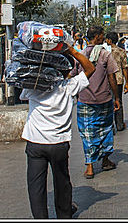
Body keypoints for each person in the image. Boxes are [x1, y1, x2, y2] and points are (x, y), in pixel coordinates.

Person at [21, 35, 92, 219]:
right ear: (66, 70)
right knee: (62, 182)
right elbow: (90, 68)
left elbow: (20, 82)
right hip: (59, 143)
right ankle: (64, 214)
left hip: (35, 142)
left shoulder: (33, 87)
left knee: (36, 186)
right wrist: (72, 50)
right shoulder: (68, 86)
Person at [73, 26, 121, 179]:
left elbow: (72, 77)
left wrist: (76, 95)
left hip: (85, 99)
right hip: (104, 98)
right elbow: (112, 77)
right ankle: (105, 160)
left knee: (87, 132)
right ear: (99, 37)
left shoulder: (80, 56)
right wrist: (117, 97)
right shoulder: (105, 54)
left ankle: (89, 166)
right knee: (105, 129)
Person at [104, 31, 128, 132]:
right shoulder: (121, 51)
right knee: (119, 101)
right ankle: (119, 124)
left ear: (109, 40)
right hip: (118, 80)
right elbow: (124, 68)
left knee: (108, 102)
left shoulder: (105, 52)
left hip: (107, 80)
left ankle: (110, 125)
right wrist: (127, 82)